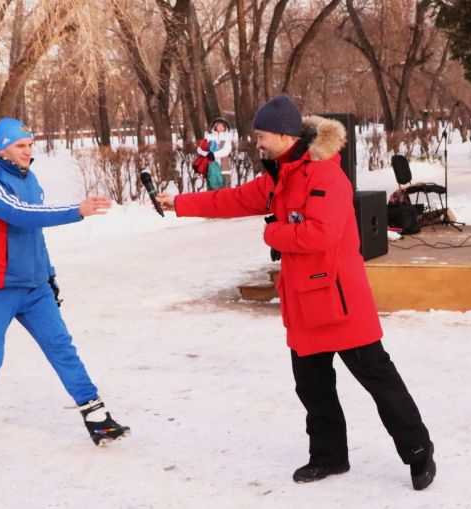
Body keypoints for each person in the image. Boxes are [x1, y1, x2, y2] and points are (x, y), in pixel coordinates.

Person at [156, 95, 435, 490]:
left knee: (380, 381)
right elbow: (233, 199)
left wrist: (273, 233)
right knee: (313, 388)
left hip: (340, 302)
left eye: (261, 135)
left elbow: (319, 234)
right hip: (303, 302)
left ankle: (419, 453)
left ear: (285, 135)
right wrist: (180, 203)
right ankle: (329, 457)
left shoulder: (326, 176)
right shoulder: (279, 175)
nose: (257, 142)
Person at [0, 118, 130, 453]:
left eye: (30, 145)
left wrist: (49, 275)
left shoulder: (29, 179)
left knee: (62, 347)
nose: (28, 151)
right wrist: (77, 210)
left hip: (35, 288)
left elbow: (34, 232)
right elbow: (22, 214)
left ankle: (97, 417)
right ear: (2, 148)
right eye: (21, 146)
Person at [203, 117, 234, 188]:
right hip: (212, 169)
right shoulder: (209, 137)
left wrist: (214, 155)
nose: (221, 127)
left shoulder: (227, 137)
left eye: (223, 126)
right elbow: (205, 149)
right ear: (215, 127)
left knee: (225, 190)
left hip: (224, 169)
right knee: (212, 190)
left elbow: (226, 150)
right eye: (219, 125)